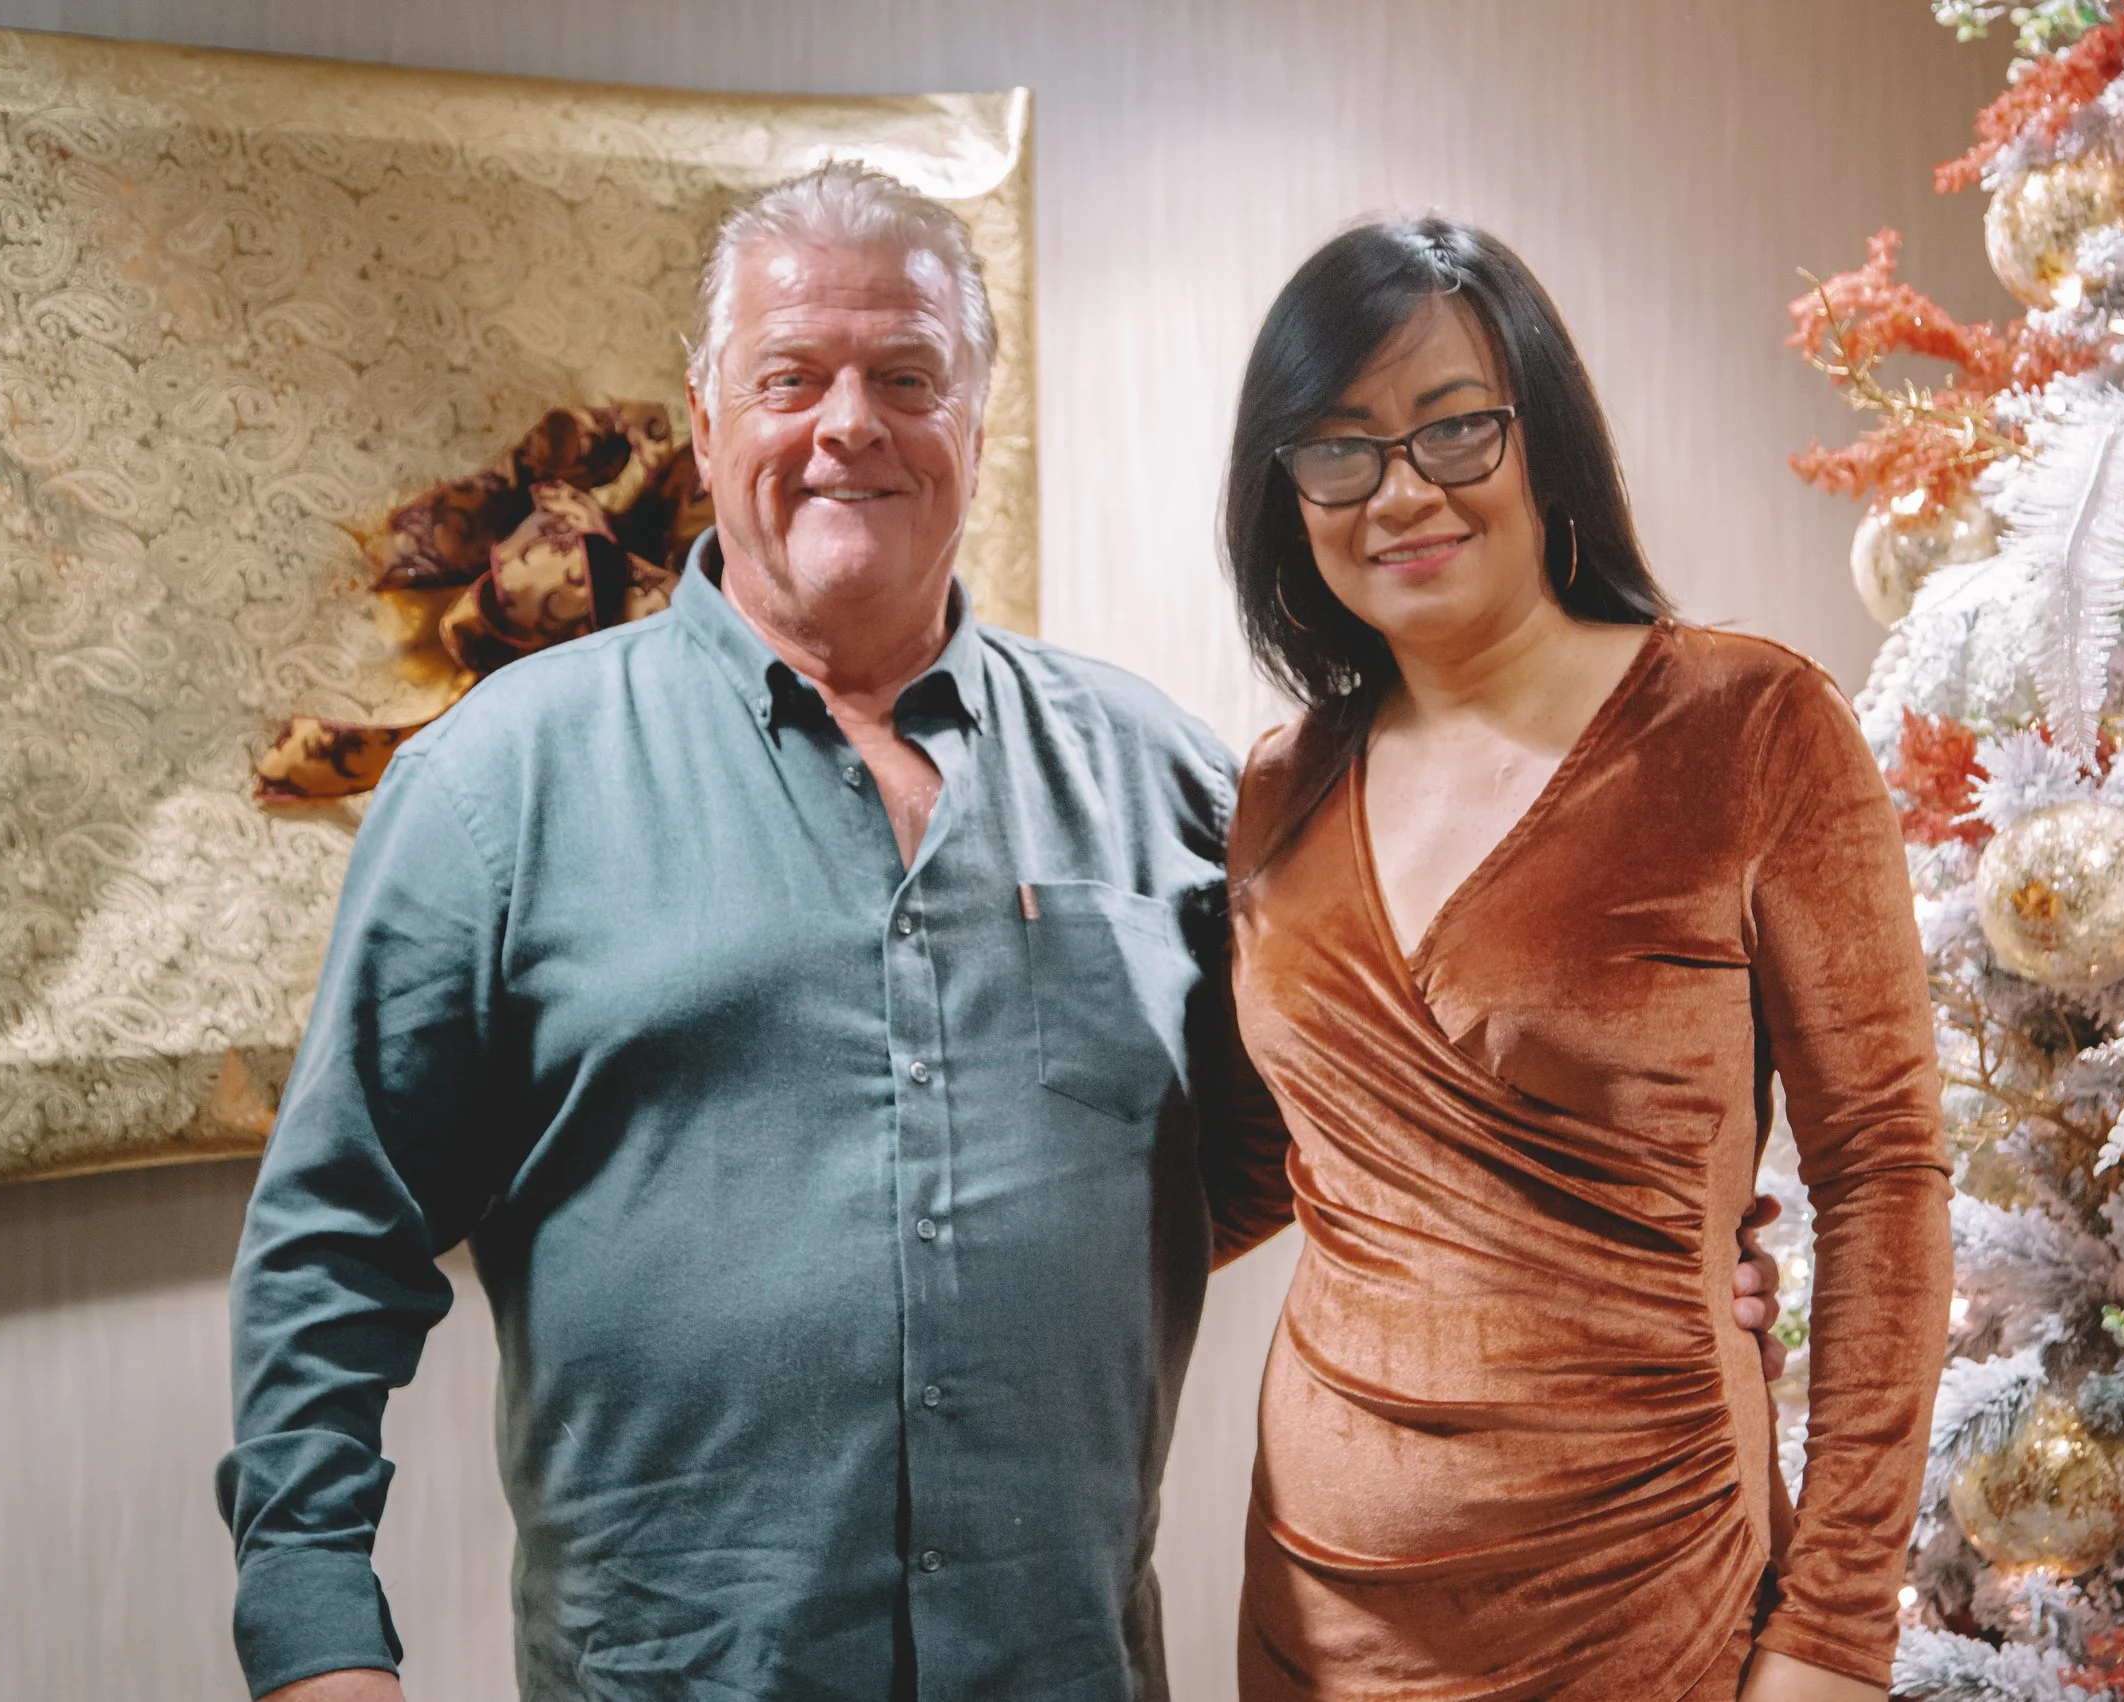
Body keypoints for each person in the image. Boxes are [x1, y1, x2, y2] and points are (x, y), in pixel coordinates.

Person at [215, 165, 1786, 1702]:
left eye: (908, 376)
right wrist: (316, 1634)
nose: (850, 424)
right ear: (704, 422)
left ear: (974, 425)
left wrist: (1618, 1259)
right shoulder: (496, 785)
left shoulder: (1172, 783)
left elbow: (1362, 1123)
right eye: (791, 377)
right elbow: (331, 1242)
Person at [1212, 218, 1952, 1702]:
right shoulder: (1279, 788)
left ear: (1542, 438)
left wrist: (1834, 1631)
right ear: (1286, 493)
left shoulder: (1748, 727)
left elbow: (1883, 1172)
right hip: (1321, 1620)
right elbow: (1253, 1168)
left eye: (1453, 429)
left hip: (1651, 1600)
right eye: (1340, 449)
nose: (1401, 492)